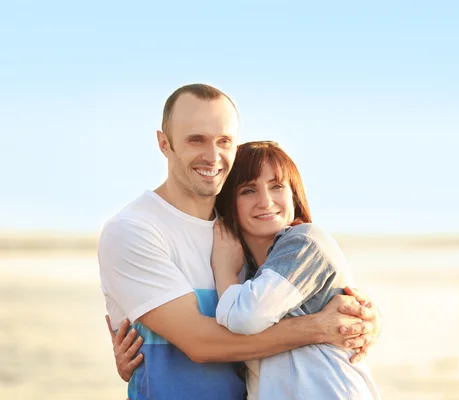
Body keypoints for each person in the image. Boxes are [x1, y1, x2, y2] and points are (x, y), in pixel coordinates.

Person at [98, 83, 382, 400]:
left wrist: (365, 321)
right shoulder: (136, 229)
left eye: (224, 141)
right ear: (164, 144)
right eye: (196, 140)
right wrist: (320, 327)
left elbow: (286, 301)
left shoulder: (241, 232)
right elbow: (201, 344)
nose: (212, 155)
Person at [210, 141, 381, 399]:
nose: (265, 201)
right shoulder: (252, 272)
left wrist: (223, 269)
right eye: (248, 190)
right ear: (229, 202)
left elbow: (245, 317)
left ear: (294, 195)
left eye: (276, 186)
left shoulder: (304, 242)